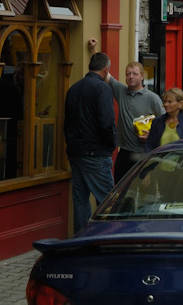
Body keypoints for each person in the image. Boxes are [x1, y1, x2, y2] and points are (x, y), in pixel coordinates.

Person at [64, 51, 117, 234]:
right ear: (106, 69)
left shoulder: (74, 88)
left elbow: (67, 122)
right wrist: (111, 144)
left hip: (76, 152)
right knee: (106, 200)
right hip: (95, 152)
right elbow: (107, 122)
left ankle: (81, 238)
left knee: (80, 199)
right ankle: (107, 237)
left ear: (89, 67)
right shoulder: (102, 89)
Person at [103, 55, 165, 182]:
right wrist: (93, 49)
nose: (131, 77)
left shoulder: (152, 98)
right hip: (124, 152)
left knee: (142, 191)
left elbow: (166, 122)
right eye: (128, 74)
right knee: (121, 190)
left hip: (144, 153)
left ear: (142, 76)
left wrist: (151, 136)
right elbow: (105, 74)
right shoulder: (121, 92)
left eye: (135, 74)